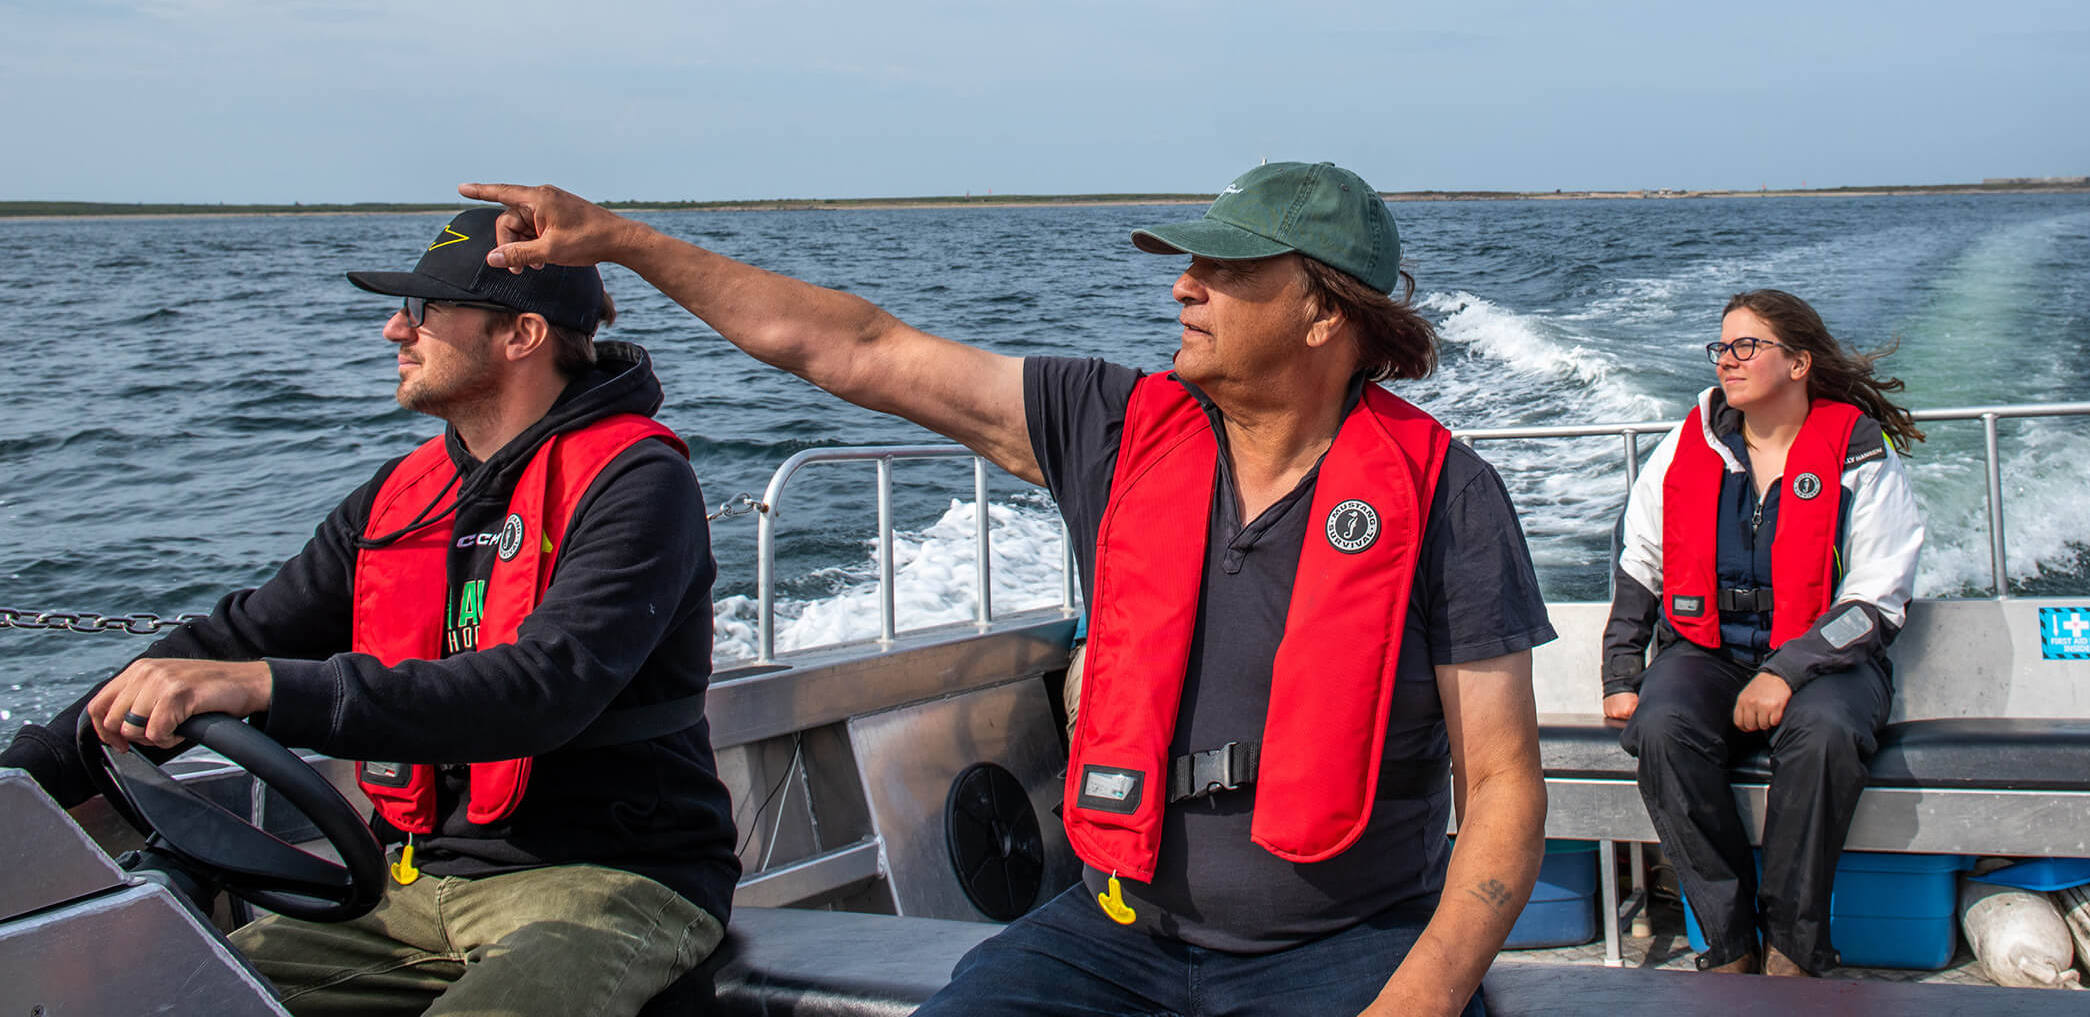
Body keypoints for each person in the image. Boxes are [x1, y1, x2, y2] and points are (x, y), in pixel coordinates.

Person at [461, 162, 1553, 1017]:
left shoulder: (1444, 496)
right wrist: (625, 243)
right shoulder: (1114, 426)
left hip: (1345, 957)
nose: (1184, 283)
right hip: (1116, 935)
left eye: (1224, 270)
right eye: (1190, 264)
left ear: (1326, 314)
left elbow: (1502, 783)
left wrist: (1420, 994)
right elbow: (853, 347)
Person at [0, 208, 737, 1017]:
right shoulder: (396, 499)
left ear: (523, 334)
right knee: (160, 994)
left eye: (423, 312)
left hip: (613, 884)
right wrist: (21, 778)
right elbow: (233, 637)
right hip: (406, 887)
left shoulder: (637, 484)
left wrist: (266, 689)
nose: (395, 329)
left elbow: (543, 690)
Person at [1601, 289, 1925, 977]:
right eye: (1722, 347)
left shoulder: (1859, 452)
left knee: (1826, 736)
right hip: (1710, 651)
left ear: (1800, 362)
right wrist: (1621, 672)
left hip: (1830, 660)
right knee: (1661, 730)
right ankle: (1728, 943)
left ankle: (1794, 944)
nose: (1728, 360)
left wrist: (1787, 671)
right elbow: (1642, 562)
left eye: (1747, 346)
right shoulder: (1687, 446)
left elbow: (1878, 597)